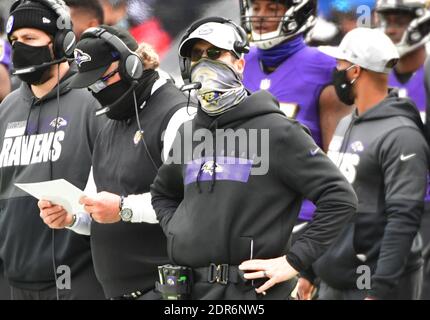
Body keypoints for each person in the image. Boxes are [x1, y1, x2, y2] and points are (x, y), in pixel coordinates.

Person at [150, 17, 357, 300]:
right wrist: (178, 230)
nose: (203, 63)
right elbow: (162, 192)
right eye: (195, 56)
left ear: (239, 63)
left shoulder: (278, 131)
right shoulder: (188, 133)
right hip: (189, 291)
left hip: (254, 295)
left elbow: (340, 197)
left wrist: (293, 261)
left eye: (214, 53)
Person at [39, 25, 196, 300]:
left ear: (131, 66)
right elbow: (97, 207)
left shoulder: (179, 114)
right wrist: (73, 216)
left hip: (168, 291)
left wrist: (124, 209)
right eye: (90, 85)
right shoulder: (110, 121)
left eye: (102, 80)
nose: (96, 91)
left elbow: (190, 204)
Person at [299, 28, 429, 300]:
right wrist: (310, 270)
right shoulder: (347, 123)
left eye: (340, 65)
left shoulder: (402, 134)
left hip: (376, 283)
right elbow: (332, 202)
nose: (336, 72)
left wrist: (379, 288)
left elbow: (403, 218)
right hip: (334, 276)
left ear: (356, 72)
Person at [0, 0, 104, 300]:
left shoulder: (92, 102)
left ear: (61, 42)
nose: (20, 48)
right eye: (14, 42)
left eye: (30, 39)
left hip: (80, 276)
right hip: (15, 280)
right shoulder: (6, 109)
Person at [239, 0, 352, 235]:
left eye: (272, 9)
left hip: (300, 219)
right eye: (256, 7)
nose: (260, 16)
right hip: (246, 215)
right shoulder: (237, 63)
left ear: (299, 13)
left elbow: (340, 162)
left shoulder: (325, 68)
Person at [376, 0, 430, 300]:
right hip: (381, 203)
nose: (392, 27)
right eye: (388, 19)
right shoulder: (373, 73)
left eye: (400, 19)